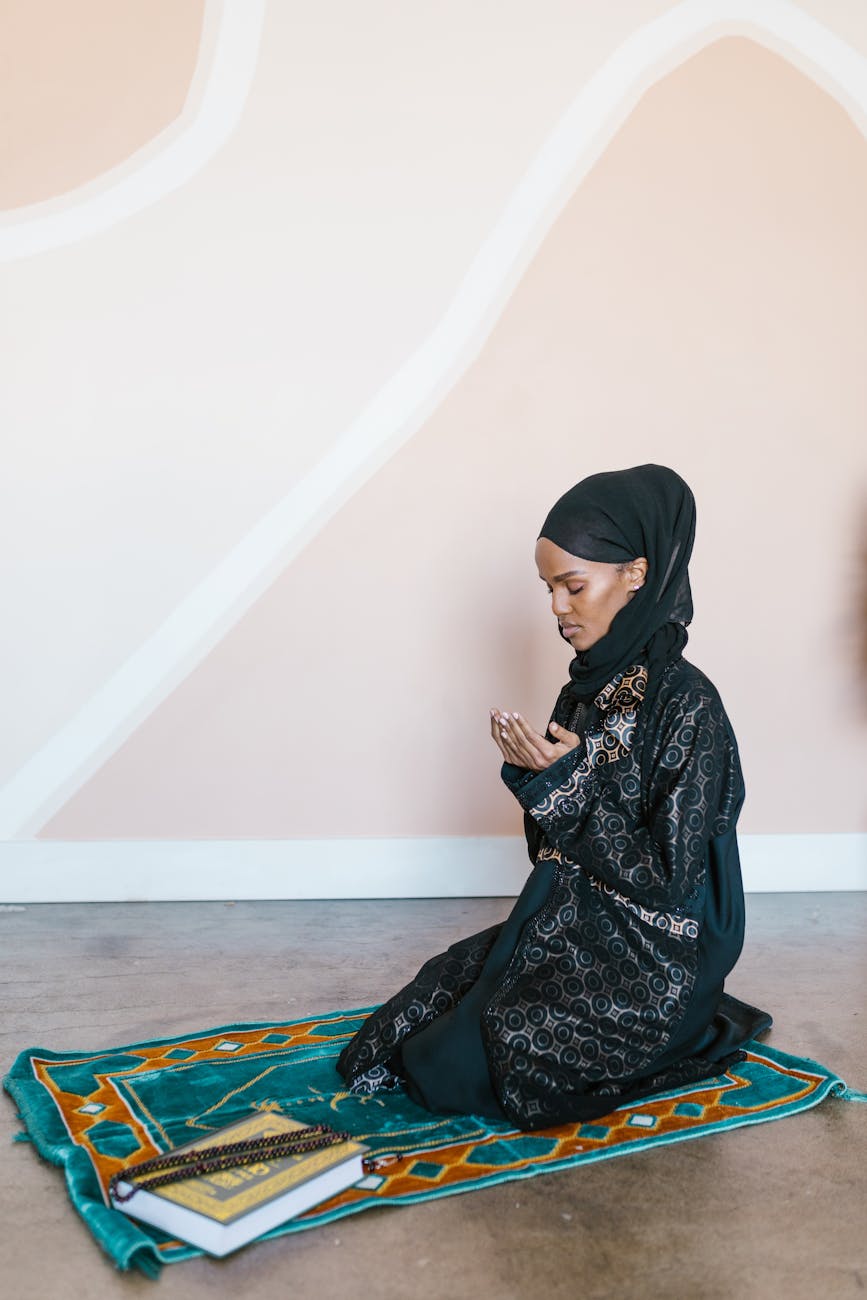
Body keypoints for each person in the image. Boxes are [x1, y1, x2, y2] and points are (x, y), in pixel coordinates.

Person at [336, 463, 771, 1131]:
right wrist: (537, 779)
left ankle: (688, 1025)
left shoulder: (689, 706)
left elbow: (669, 884)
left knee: (475, 1062)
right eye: (548, 589)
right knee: (407, 1024)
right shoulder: (582, 691)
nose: (557, 609)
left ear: (635, 573)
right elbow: (552, 852)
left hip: (665, 953)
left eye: (572, 586)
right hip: (572, 917)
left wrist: (567, 788)